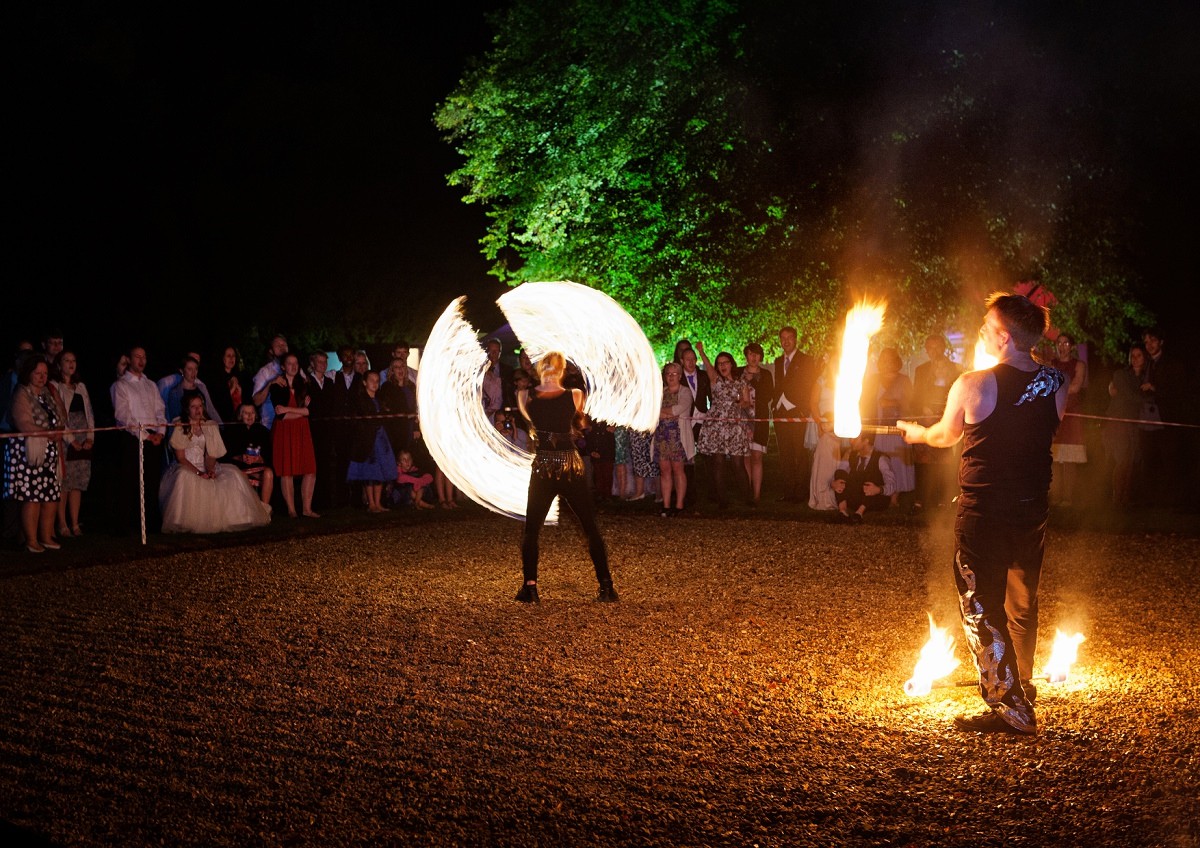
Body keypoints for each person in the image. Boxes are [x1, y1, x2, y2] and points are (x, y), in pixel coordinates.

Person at [898, 292, 1068, 735]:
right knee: (1022, 600)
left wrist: (917, 434)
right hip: (1032, 510)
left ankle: (1010, 706)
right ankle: (1021, 681)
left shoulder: (973, 384)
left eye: (986, 326)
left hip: (985, 511)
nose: (980, 331)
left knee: (980, 605)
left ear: (1004, 336)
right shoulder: (1057, 382)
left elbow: (943, 435)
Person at [515, 351, 617, 604]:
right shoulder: (574, 396)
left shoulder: (525, 396)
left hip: (550, 466)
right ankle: (605, 586)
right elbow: (576, 421)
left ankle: (532, 587)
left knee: (537, 529)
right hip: (565, 466)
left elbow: (536, 425)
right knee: (584, 527)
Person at [159, 394, 271, 533]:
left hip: (204, 465)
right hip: (187, 465)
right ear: (187, 409)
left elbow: (210, 454)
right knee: (184, 477)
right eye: (193, 407)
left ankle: (240, 517)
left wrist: (209, 469)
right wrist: (199, 473)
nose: (198, 410)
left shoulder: (209, 425)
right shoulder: (181, 424)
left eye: (200, 406)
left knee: (232, 475)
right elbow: (181, 457)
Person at [3, 357, 65, 552]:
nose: (42, 377)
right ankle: (31, 539)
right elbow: (23, 423)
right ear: (28, 373)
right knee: (33, 496)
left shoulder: (48, 393)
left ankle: (46, 536)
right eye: (38, 373)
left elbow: (61, 416)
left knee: (50, 495)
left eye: (45, 373)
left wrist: (58, 431)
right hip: (29, 453)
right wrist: (46, 433)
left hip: (50, 452)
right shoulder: (21, 393)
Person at [112, 346, 167, 535]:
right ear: (129, 359)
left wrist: (160, 431)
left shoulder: (150, 385)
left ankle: (150, 523)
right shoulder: (121, 385)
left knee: (151, 482)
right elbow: (123, 415)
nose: (141, 361)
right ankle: (127, 524)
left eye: (144, 357)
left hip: (153, 438)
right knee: (130, 482)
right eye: (137, 357)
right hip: (133, 437)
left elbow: (160, 409)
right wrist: (144, 435)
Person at [695, 343, 750, 509]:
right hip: (717, 425)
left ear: (731, 364)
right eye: (719, 363)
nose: (722, 366)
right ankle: (722, 500)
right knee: (718, 462)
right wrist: (701, 351)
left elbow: (747, 402)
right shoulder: (715, 380)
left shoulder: (741, 383)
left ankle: (747, 498)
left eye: (725, 362)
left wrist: (741, 403)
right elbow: (708, 366)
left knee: (737, 463)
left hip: (734, 425)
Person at [911, 334, 961, 513]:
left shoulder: (955, 369)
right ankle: (921, 500)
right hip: (925, 420)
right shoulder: (921, 370)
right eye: (929, 348)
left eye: (936, 347)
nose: (933, 351)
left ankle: (942, 500)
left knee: (943, 461)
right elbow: (916, 395)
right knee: (922, 461)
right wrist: (923, 408)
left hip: (945, 419)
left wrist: (945, 412)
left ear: (943, 347)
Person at [268, 353, 320, 518]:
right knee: (287, 470)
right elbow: (280, 414)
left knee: (310, 469)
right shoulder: (277, 386)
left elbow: (310, 411)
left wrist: (289, 409)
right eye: (289, 363)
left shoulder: (304, 384)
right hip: (285, 431)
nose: (293, 366)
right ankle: (291, 509)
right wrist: (300, 411)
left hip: (302, 430)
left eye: (295, 363)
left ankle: (307, 508)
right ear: (283, 366)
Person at [771, 326, 818, 503]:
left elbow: (808, 385)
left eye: (789, 337)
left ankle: (801, 492)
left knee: (800, 453)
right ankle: (789, 491)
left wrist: (802, 408)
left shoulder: (806, 360)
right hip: (780, 412)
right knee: (785, 454)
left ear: (795, 339)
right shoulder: (777, 361)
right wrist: (775, 406)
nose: (786, 341)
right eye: (783, 338)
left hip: (797, 412)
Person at [51, 350, 94, 537]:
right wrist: (71, 439)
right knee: (65, 483)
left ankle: (75, 523)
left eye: (73, 360)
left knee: (78, 483)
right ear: (59, 364)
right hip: (67, 439)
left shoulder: (81, 386)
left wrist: (90, 437)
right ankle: (62, 524)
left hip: (83, 435)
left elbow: (89, 412)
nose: (71, 364)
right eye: (66, 360)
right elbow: (59, 417)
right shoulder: (54, 386)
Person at [864, 347, 915, 506]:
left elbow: (911, 403)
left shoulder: (904, 379)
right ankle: (882, 490)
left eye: (889, 359)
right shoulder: (873, 380)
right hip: (879, 428)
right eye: (883, 359)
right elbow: (866, 400)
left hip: (896, 428)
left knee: (897, 460)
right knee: (883, 459)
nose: (886, 362)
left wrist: (893, 403)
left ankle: (895, 495)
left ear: (896, 361)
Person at [1104, 342, 1148, 506]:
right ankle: (1117, 496)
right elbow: (1128, 394)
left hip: (1137, 422)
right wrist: (1146, 397)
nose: (1136, 359)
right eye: (1133, 356)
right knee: (1121, 459)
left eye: (1139, 355)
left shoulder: (1147, 377)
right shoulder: (1120, 374)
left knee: (1132, 461)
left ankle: (1127, 497)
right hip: (1119, 421)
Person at [346, 370, 396, 513]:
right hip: (367, 440)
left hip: (381, 438)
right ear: (364, 382)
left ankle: (378, 503)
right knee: (369, 471)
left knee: (380, 470)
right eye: (371, 380)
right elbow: (364, 420)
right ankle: (371, 504)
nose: (375, 383)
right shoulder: (360, 400)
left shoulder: (380, 399)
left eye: (377, 380)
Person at [1049, 332, 1088, 506]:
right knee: (1055, 459)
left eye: (1066, 343)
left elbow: (1075, 386)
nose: (1062, 346)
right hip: (1055, 414)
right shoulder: (1051, 364)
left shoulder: (1079, 365)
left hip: (1072, 415)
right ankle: (1055, 497)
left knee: (1070, 459)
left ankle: (1068, 498)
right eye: (1059, 343)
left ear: (1071, 347)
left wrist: (1057, 389)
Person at [652, 361, 695, 517]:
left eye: (674, 373)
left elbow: (678, 409)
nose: (671, 376)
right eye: (668, 374)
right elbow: (653, 411)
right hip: (661, 437)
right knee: (665, 471)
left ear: (680, 376)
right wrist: (665, 413)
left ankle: (679, 505)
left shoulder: (685, 392)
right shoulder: (660, 392)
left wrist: (662, 412)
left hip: (678, 437)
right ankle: (666, 504)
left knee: (678, 469)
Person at [830, 432, 895, 523]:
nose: (851, 441)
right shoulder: (851, 454)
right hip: (857, 496)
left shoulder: (881, 459)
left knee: (872, 476)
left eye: (855, 439)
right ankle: (843, 511)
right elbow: (840, 472)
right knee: (840, 473)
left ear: (866, 441)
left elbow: (892, 484)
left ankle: (859, 513)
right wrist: (833, 483)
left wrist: (879, 489)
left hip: (875, 499)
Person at [219, 403, 276, 508]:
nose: (250, 416)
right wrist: (240, 457)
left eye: (252, 413)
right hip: (239, 468)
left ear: (256, 415)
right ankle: (249, 510)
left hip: (258, 467)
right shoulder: (231, 432)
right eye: (246, 413)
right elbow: (223, 455)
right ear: (240, 415)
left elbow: (269, 454)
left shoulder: (262, 431)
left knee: (269, 473)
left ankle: (265, 509)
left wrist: (260, 459)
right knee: (242, 476)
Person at [739, 342, 774, 506]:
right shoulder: (738, 372)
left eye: (756, 354)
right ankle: (747, 491)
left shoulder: (766, 375)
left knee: (757, 456)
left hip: (759, 419)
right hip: (742, 420)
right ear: (746, 356)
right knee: (745, 456)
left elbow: (768, 396)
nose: (753, 358)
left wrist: (753, 381)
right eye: (750, 354)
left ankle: (757, 494)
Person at [677, 347, 711, 509]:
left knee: (707, 457)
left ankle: (710, 492)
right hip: (686, 422)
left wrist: (709, 413)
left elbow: (710, 396)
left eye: (693, 358)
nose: (691, 362)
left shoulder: (703, 376)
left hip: (702, 420)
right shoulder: (678, 378)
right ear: (682, 361)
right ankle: (689, 494)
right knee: (687, 459)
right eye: (687, 359)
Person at [807, 356, 842, 511]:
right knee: (824, 460)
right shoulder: (821, 381)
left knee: (836, 460)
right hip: (824, 424)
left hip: (839, 424)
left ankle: (834, 496)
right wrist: (820, 422)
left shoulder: (844, 381)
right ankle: (821, 496)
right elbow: (813, 403)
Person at [164, 356, 220, 426]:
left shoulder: (201, 387)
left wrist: (220, 425)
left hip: (205, 427)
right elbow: (175, 419)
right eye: (190, 369)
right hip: (186, 430)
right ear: (182, 371)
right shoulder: (175, 392)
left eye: (196, 369)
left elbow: (211, 409)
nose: (194, 372)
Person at [251, 335, 289, 428]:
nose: (282, 347)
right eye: (277, 345)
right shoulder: (264, 372)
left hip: (292, 424)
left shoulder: (297, 369)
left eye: (284, 344)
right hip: (270, 425)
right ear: (271, 351)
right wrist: (270, 383)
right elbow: (256, 401)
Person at [208, 346, 247, 423]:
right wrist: (232, 388)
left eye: (233, 356)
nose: (231, 358)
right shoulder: (216, 379)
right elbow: (218, 402)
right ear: (223, 358)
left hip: (240, 418)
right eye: (228, 356)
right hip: (224, 420)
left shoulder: (240, 377)